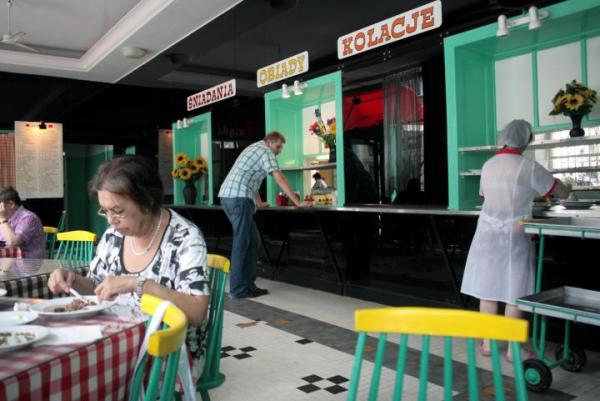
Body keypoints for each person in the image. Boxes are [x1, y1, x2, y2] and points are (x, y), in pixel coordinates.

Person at [47, 155, 210, 373]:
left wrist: (137, 283)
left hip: (169, 354)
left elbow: (197, 313)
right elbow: (97, 288)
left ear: (147, 202)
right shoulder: (113, 235)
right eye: (105, 210)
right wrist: (73, 279)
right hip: (119, 341)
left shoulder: (185, 237)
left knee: (85, 371)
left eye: (118, 211)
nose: (110, 220)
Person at [460, 119, 569, 362]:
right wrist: (566, 189)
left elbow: (485, 195)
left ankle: (488, 342)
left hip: (488, 234)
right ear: (526, 140)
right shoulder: (527, 166)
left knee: (487, 289)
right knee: (515, 290)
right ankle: (514, 348)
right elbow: (558, 190)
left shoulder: (488, 165)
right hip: (515, 234)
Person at [218, 131, 311, 299]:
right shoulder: (266, 151)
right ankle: (238, 290)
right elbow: (279, 178)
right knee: (241, 243)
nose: (279, 151)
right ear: (269, 143)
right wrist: (297, 202)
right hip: (239, 199)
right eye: (278, 147)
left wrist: (259, 203)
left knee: (253, 241)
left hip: (230, 197)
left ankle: (248, 285)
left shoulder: (254, 148)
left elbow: (250, 181)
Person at [0, 186, 45, 259]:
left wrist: (2, 219)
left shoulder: (29, 218)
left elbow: (13, 242)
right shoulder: (7, 218)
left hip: (29, 263)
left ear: (11, 204)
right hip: (9, 261)